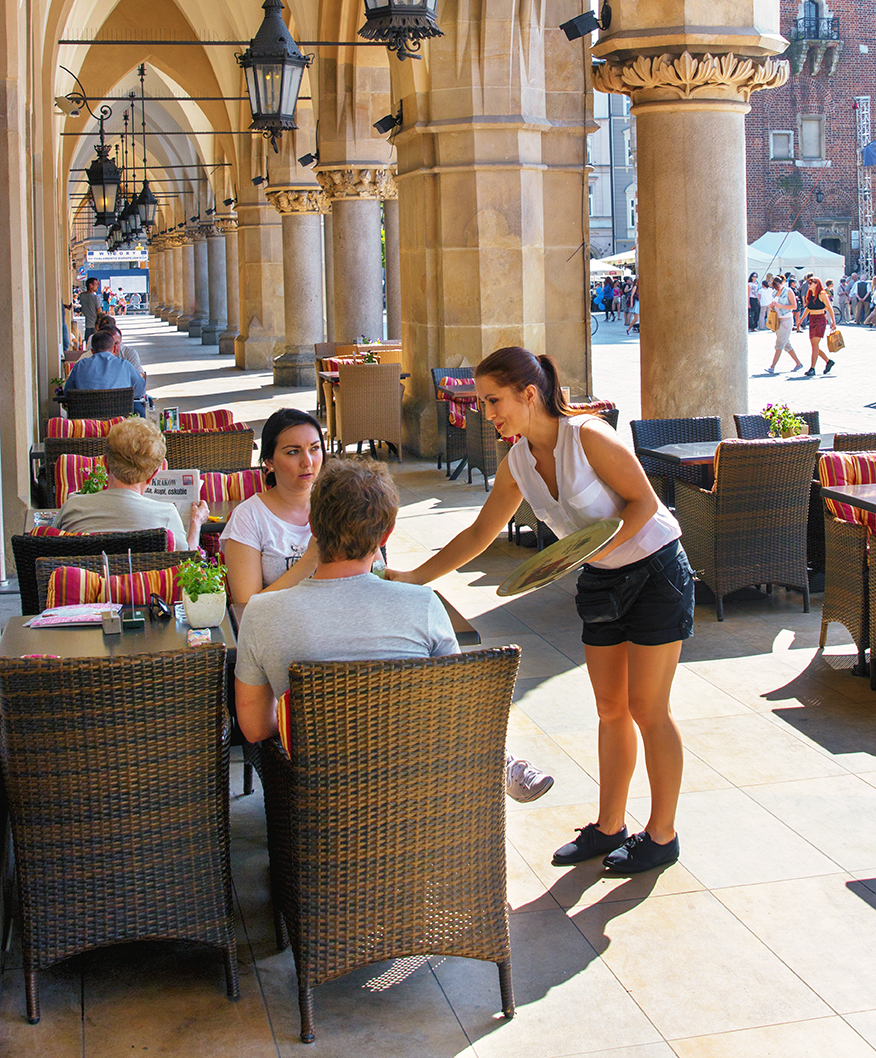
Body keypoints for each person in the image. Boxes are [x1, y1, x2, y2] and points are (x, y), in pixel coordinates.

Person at [387, 347, 695, 874]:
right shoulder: (518, 463)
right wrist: (415, 578)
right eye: (483, 402)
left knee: (647, 707)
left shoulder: (589, 436)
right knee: (610, 709)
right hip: (601, 581)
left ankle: (662, 835)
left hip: (655, 572)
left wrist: (591, 551)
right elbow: (481, 532)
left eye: (493, 400)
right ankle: (609, 825)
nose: (487, 412)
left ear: (529, 395)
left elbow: (644, 502)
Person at [234, 457, 554, 804]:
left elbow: (254, 728)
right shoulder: (422, 605)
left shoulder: (262, 613)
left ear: (312, 525)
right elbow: (458, 705)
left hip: (317, 803)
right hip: (415, 797)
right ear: (387, 533)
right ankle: (505, 764)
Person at [221, 407, 326, 605]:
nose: (307, 462)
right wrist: (310, 559)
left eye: (314, 448)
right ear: (269, 462)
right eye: (293, 452)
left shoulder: (339, 504)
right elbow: (245, 607)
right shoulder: (248, 517)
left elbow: (375, 573)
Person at [53, 416, 208, 549]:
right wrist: (196, 523)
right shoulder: (166, 516)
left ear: (105, 463)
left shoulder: (73, 508)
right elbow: (188, 563)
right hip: (143, 584)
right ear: (153, 475)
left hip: (85, 583)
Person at [64, 328, 147, 416]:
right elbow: (140, 391)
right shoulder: (125, 365)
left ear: (92, 351)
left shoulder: (80, 365)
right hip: (120, 420)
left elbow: (68, 392)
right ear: (114, 348)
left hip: (88, 420)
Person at [798, 273, 836, 376]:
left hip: (820, 319)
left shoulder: (822, 294)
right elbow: (808, 308)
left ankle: (812, 368)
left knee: (815, 345)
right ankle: (828, 362)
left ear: (817, 284)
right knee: (814, 346)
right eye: (809, 282)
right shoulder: (810, 294)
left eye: (811, 283)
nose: (809, 285)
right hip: (812, 319)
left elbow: (829, 308)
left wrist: (833, 321)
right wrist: (801, 320)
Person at [764, 275, 803, 375]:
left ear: (782, 283)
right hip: (777, 319)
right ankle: (798, 363)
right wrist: (771, 306)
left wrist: (780, 306)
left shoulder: (788, 291)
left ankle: (772, 367)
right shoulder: (774, 292)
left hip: (786, 319)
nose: (776, 288)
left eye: (777, 286)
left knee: (780, 343)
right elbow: (774, 303)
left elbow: (794, 306)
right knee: (786, 344)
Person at [79, 276, 102, 345]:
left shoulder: (82, 296)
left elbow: (84, 293)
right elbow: (99, 313)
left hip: (88, 326)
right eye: (96, 284)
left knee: (88, 345)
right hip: (95, 326)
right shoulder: (96, 298)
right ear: (90, 285)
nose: (98, 286)